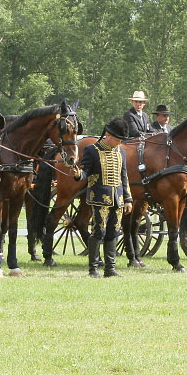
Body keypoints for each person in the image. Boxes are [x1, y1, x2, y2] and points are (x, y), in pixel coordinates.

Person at [73, 117, 133, 277]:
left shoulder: (121, 152)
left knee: (113, 232)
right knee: (98, 231)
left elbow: (124, 176)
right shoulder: (92, 150)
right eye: (118, 139)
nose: (119, 143)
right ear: (109, 135)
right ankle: (93, 269)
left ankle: (110, 269)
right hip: (99, 198)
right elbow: (86, 172)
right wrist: (79, 175)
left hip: (118, 198)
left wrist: (128, 199)